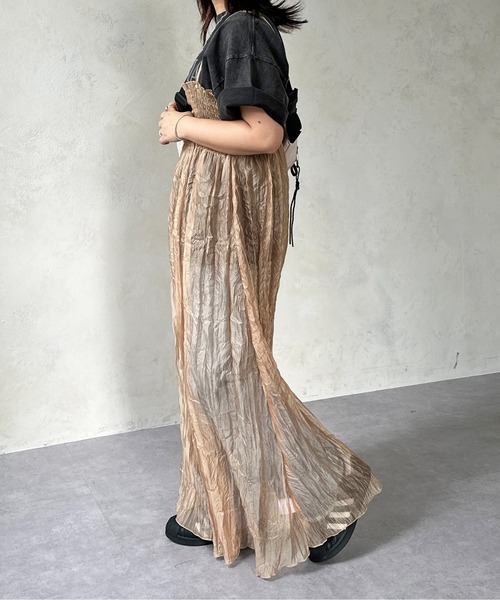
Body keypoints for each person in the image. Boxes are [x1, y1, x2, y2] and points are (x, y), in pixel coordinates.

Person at [158, 0, 382, 580]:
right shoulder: (227, 28)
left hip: (230, 215)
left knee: (227, 364)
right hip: (217, 216)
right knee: (212, 364)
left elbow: (263, 133)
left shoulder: (241, 27)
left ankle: (325, 500)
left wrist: (180, 126)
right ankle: (217, 509)